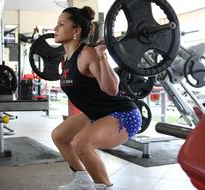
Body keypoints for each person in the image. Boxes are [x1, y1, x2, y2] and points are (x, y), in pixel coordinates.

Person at [51, 6, 142, 190]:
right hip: (97, 114)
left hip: (123, 114)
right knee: (59, 136)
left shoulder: (87, 53)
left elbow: (111, 89)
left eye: (61, 24)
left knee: (81, 143)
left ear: (76, 31)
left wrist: (102, 55)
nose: (56, 28)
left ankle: (104, 186)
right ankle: (83, 181)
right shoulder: (67, 58)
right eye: (57, 24)